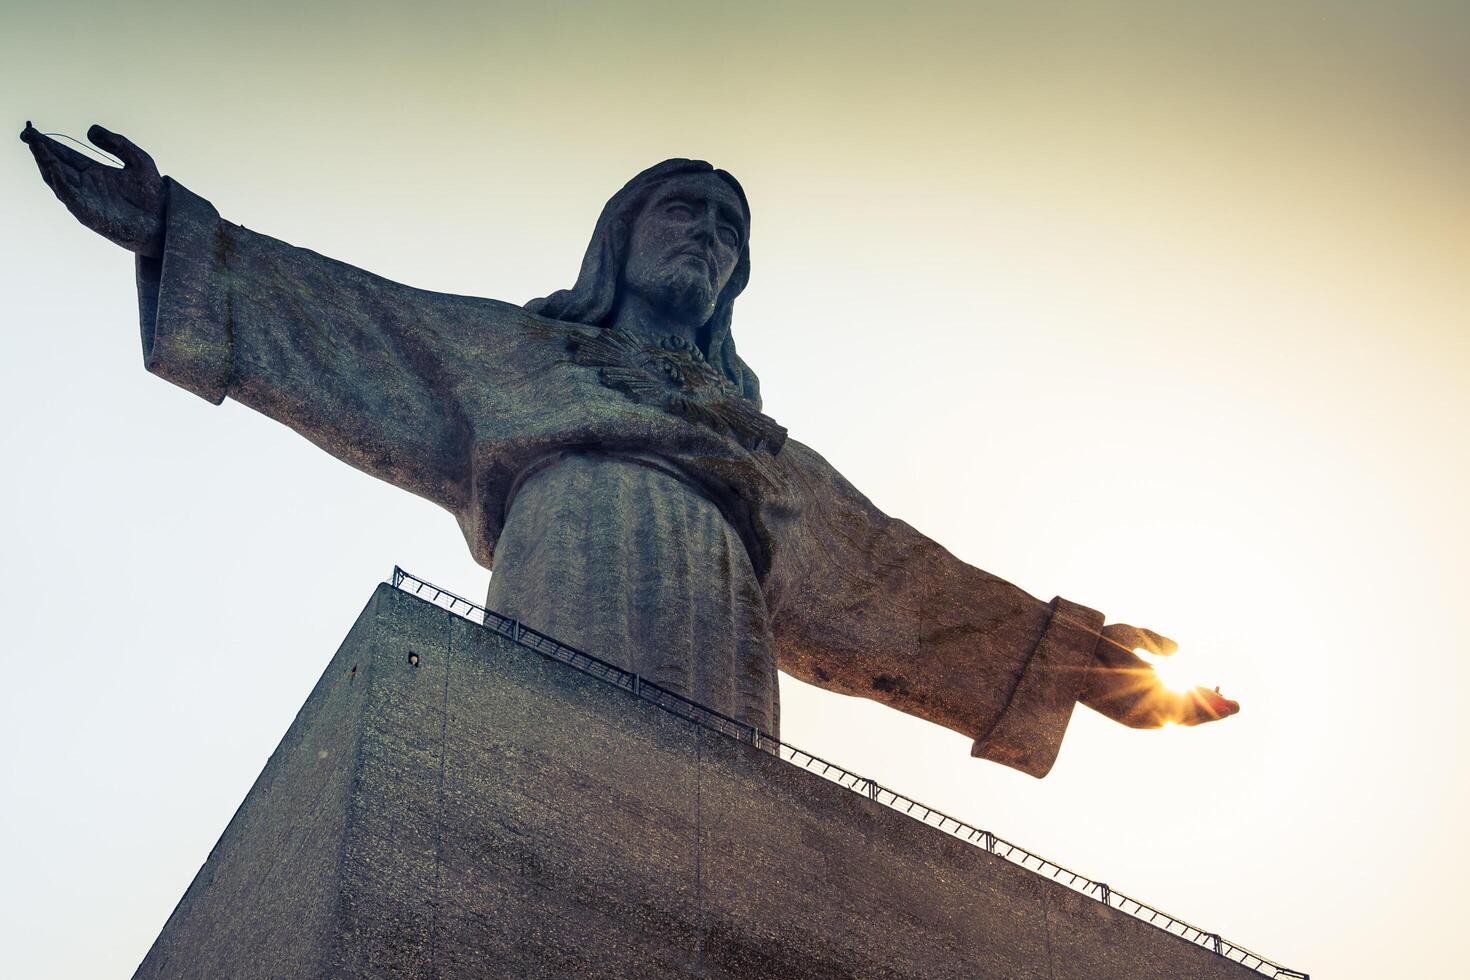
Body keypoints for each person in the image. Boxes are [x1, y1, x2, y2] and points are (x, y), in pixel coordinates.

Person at [20, 123, 1239, 778]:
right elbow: (359, 318)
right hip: (572, 546)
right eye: (682, 212)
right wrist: (182, 235)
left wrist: (1066, 655)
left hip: (726, 617)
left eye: (728, 231)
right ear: (621, 237)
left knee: (715, 821)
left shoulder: (761, 450)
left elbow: (899, 585)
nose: (706, 238)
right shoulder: (519, 352)